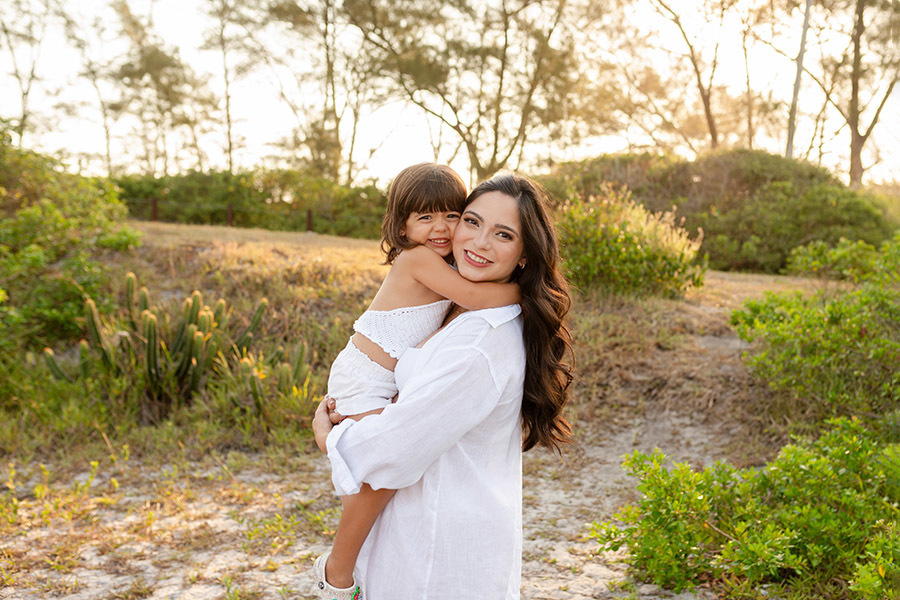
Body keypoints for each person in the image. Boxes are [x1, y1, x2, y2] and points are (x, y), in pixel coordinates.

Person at [313, 173, 574, 599]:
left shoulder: (481, 341)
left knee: (370, 479)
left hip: (438, 558)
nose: (478, 241)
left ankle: (337, 571)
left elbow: (394, 447)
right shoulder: (451, 291)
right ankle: (343, 567)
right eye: (472, 222)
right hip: (421, 531)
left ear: (525, 253)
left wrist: (328, 438)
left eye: (504, 234)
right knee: (367, 488)